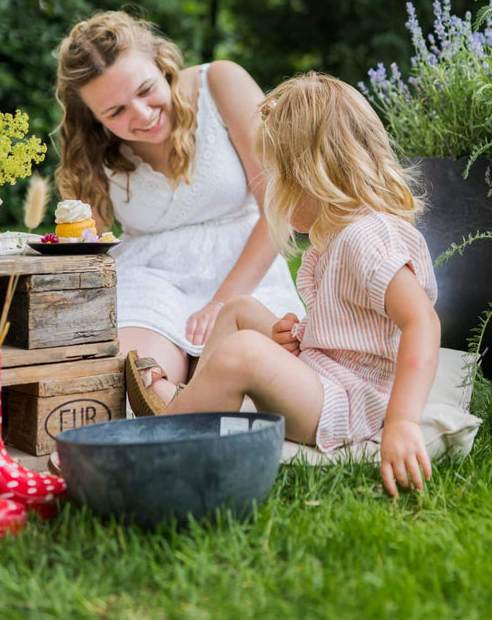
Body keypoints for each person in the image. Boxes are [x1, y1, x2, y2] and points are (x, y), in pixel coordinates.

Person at [127, 72, 441, 497]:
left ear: (312, 176)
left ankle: (160, 442)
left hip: (350, 403)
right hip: (327, 376)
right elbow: (353, 328)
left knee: (244, 352)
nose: (269, 189)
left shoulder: (367, 237)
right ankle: (196, 399)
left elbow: (421, 321)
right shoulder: (336, 238)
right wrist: (298, 334)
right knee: (238, 309)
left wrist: (402, 422)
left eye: (276, 177)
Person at [54, 11, 304, 388]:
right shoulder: (92, 144)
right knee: (139, 377)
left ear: (162, 64)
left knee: (257, 376)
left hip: (244, 272)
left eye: (145, 90)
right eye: (116, 111)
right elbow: (87, 244)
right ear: (93, 116)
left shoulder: (221, 82)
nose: (142, 115)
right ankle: (169, 403)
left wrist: (222, 303)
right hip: (150, 279)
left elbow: (278, 204)